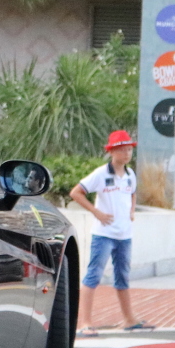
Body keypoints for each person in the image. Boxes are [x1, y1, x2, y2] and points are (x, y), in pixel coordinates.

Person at [70, 131, 149, 336]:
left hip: (124, 235)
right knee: (93, 275)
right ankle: (85, 322)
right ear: (112, 151)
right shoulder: (101, 174)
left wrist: (131, 211)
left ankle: (129, 318)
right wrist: (96, 212)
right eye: (123, 149)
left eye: (130, 149)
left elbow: (132, 193)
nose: (127, 153)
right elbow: (76, 192)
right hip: (104, 234)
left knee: (122, 276)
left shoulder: (130, 175)